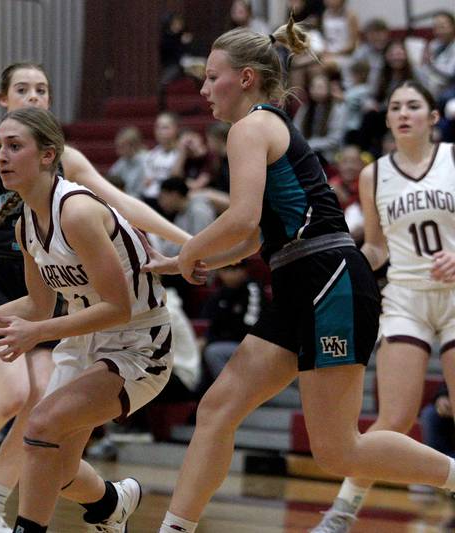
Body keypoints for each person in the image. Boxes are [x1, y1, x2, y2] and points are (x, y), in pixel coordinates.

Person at [144, 21, 455, 533]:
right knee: (218, 407)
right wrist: (196, 259)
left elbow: (241, 219)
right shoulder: (263, 127)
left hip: (327, 278)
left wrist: (187, 250)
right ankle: (175, 528)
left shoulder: (251, 127)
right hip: (299, 279)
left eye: (212, 77)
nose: (202, 89)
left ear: (245, 78)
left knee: (338, 451)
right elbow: (252, 238)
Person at [0, 62, 190, 532]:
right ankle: (111, 505)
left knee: (39, 422)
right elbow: (36, 304)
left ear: (49, 155)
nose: (2, 156)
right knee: (57, 465)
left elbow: (117, 308)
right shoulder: (27, 220)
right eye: (2, 147)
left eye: (15, 148)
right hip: (69, 327)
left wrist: (188, 244)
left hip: (136, 343)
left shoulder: (76, 211)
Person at [312, 80, 455, 532]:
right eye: (395, 107)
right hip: (405, 298)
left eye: (414, 105)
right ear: (388, 118)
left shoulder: (452, 158)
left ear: (433, 117)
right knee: (393, 418)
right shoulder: (375, 175)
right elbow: (376, 247)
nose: (403, 113)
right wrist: (345, 264)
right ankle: (341, 513)